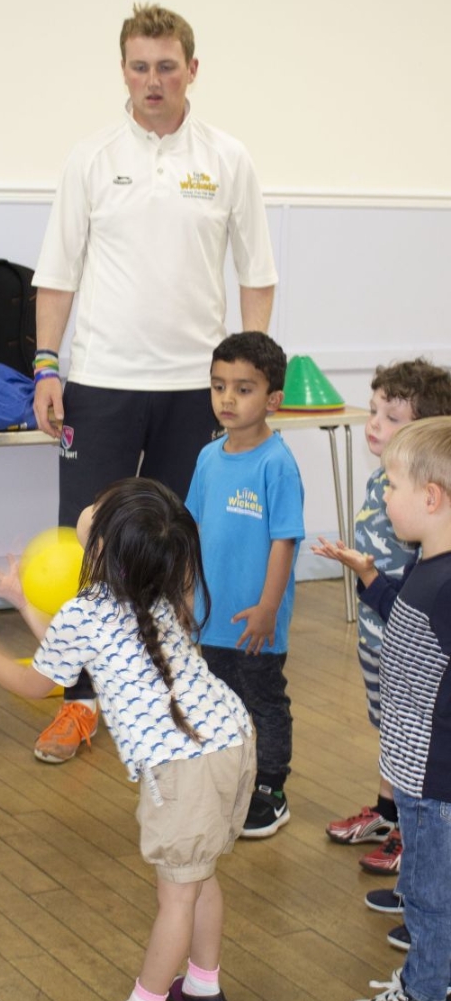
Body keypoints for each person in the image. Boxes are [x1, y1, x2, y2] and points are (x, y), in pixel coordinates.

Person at [29, 2, 277, 766]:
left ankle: (175, 688)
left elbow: (257, 275)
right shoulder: (91, 158)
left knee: (179, 550)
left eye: (167, 66)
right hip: (101, 382)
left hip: (195, 393)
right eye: (139, 66)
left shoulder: (229, 159)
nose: (153, 80)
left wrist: (255, 379)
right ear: (124, 71)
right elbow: (58, 273)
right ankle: (79, 703)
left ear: (192, 70)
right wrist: (45, 363)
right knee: (89, 547)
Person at [0, 478, 255, 1001]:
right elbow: (73, 651)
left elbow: (40, 680)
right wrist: (22, 599)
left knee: (176, 898)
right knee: (197, 874)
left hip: (183, 765)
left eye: (99, 510)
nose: (89, 506)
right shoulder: (161, 592)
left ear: (100, 547)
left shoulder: (88, 609)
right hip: (232, 738)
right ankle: (203, 987)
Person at [314, 417, 451, 1001]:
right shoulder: (427, 565)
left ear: (432, 496)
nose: (384, 495)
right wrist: (369, 574)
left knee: (427, 895)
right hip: (417, 772)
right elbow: (404, 620)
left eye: (391, 484)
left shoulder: (448, 584)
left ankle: (424, 993)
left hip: (435, 781)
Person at [326, 362, 451, 869]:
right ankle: (388, 812)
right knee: (389, 726)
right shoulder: (386, 479)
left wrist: (373, 584)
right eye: (373, 409)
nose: (374, 423)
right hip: (379, 638)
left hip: (408, 639)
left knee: (413, 735)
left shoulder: (422, 505)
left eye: (391, 415)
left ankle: (410, 832)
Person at [184, 331, 303, 838]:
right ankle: (231, 776)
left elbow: (284, 541)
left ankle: (271, 790)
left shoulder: (277, 463)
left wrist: (267, 608)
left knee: (264, 702)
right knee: (218, 701)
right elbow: (190, 527)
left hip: (255, 621)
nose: (227, 399)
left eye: (243, 388)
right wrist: (184, 595)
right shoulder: (209, 457)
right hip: (211, 617)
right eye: (218, 386)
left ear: (272, 398)